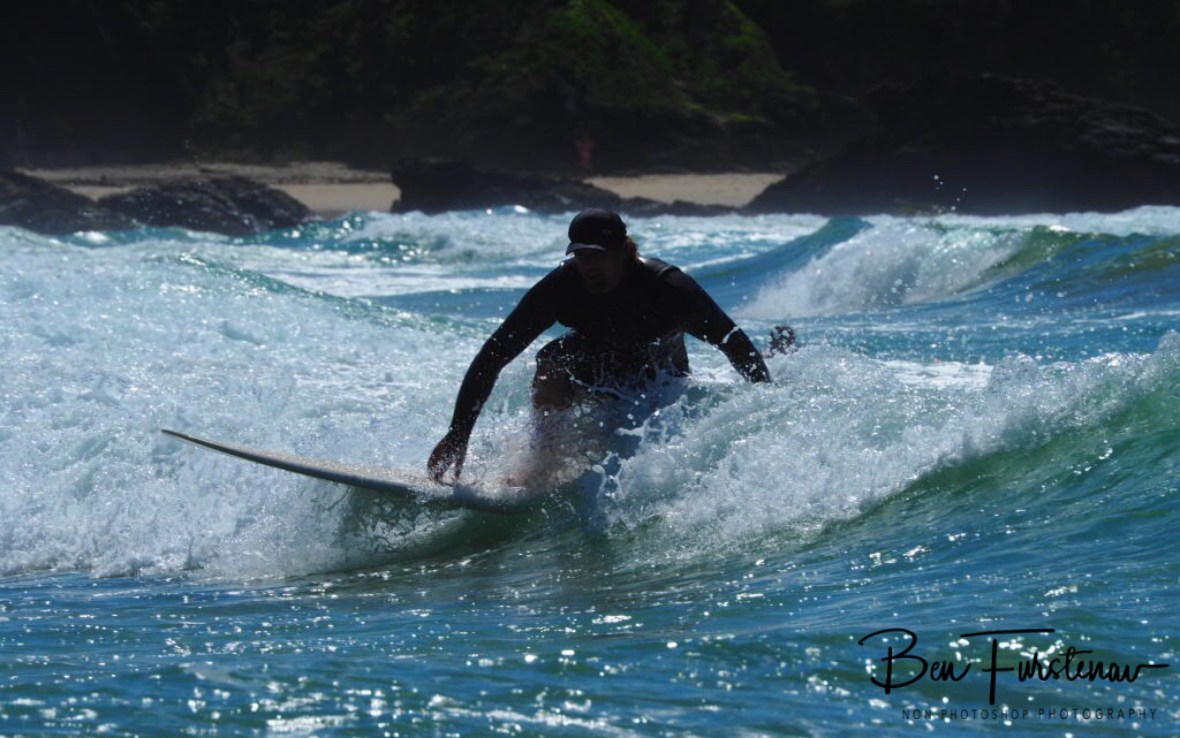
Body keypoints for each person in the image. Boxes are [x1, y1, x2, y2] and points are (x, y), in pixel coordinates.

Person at [428, 208, 772, 483]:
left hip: (658, 384)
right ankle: (541, 465)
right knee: (552, 359)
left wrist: (769, 408)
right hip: (596, 371)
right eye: (581, 256)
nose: (588, 266)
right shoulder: (562, 286)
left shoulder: (668, 289)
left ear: (625, 250)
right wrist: (458, 433)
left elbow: (734, 342)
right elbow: (493, 355)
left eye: (598, 256)